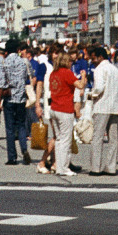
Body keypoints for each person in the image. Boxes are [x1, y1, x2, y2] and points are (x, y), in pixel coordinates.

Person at [44, 45, 82, 177]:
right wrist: (83, 76)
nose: (72, 63)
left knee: (59, 139)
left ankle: (59, 166)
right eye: (70, 61)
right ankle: (64, 167)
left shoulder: (53, 74)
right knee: (66, 140)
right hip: (65, 109)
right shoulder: (67, 73)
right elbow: (80, 85)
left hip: (54, 108)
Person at [87, 45, 118, 177]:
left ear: (100, 57)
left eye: (93, 58)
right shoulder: (116, 70)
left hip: (102, 106)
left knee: (97, 137)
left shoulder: (99, 69)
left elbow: (99, 88)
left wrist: (91, 95)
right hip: (115, 107)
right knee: (113, 138)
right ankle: (111, 167)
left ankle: (95, 168)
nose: (92, 61)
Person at [1, 41, 33, 165]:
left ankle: (12, 157)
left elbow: (2, 82)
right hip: (21, 98)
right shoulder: (24, 61)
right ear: (18, 49)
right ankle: (24, 149)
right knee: (21, 126)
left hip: (9, 98)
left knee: (9, 128)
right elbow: (29, 76)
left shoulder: (4, 62)